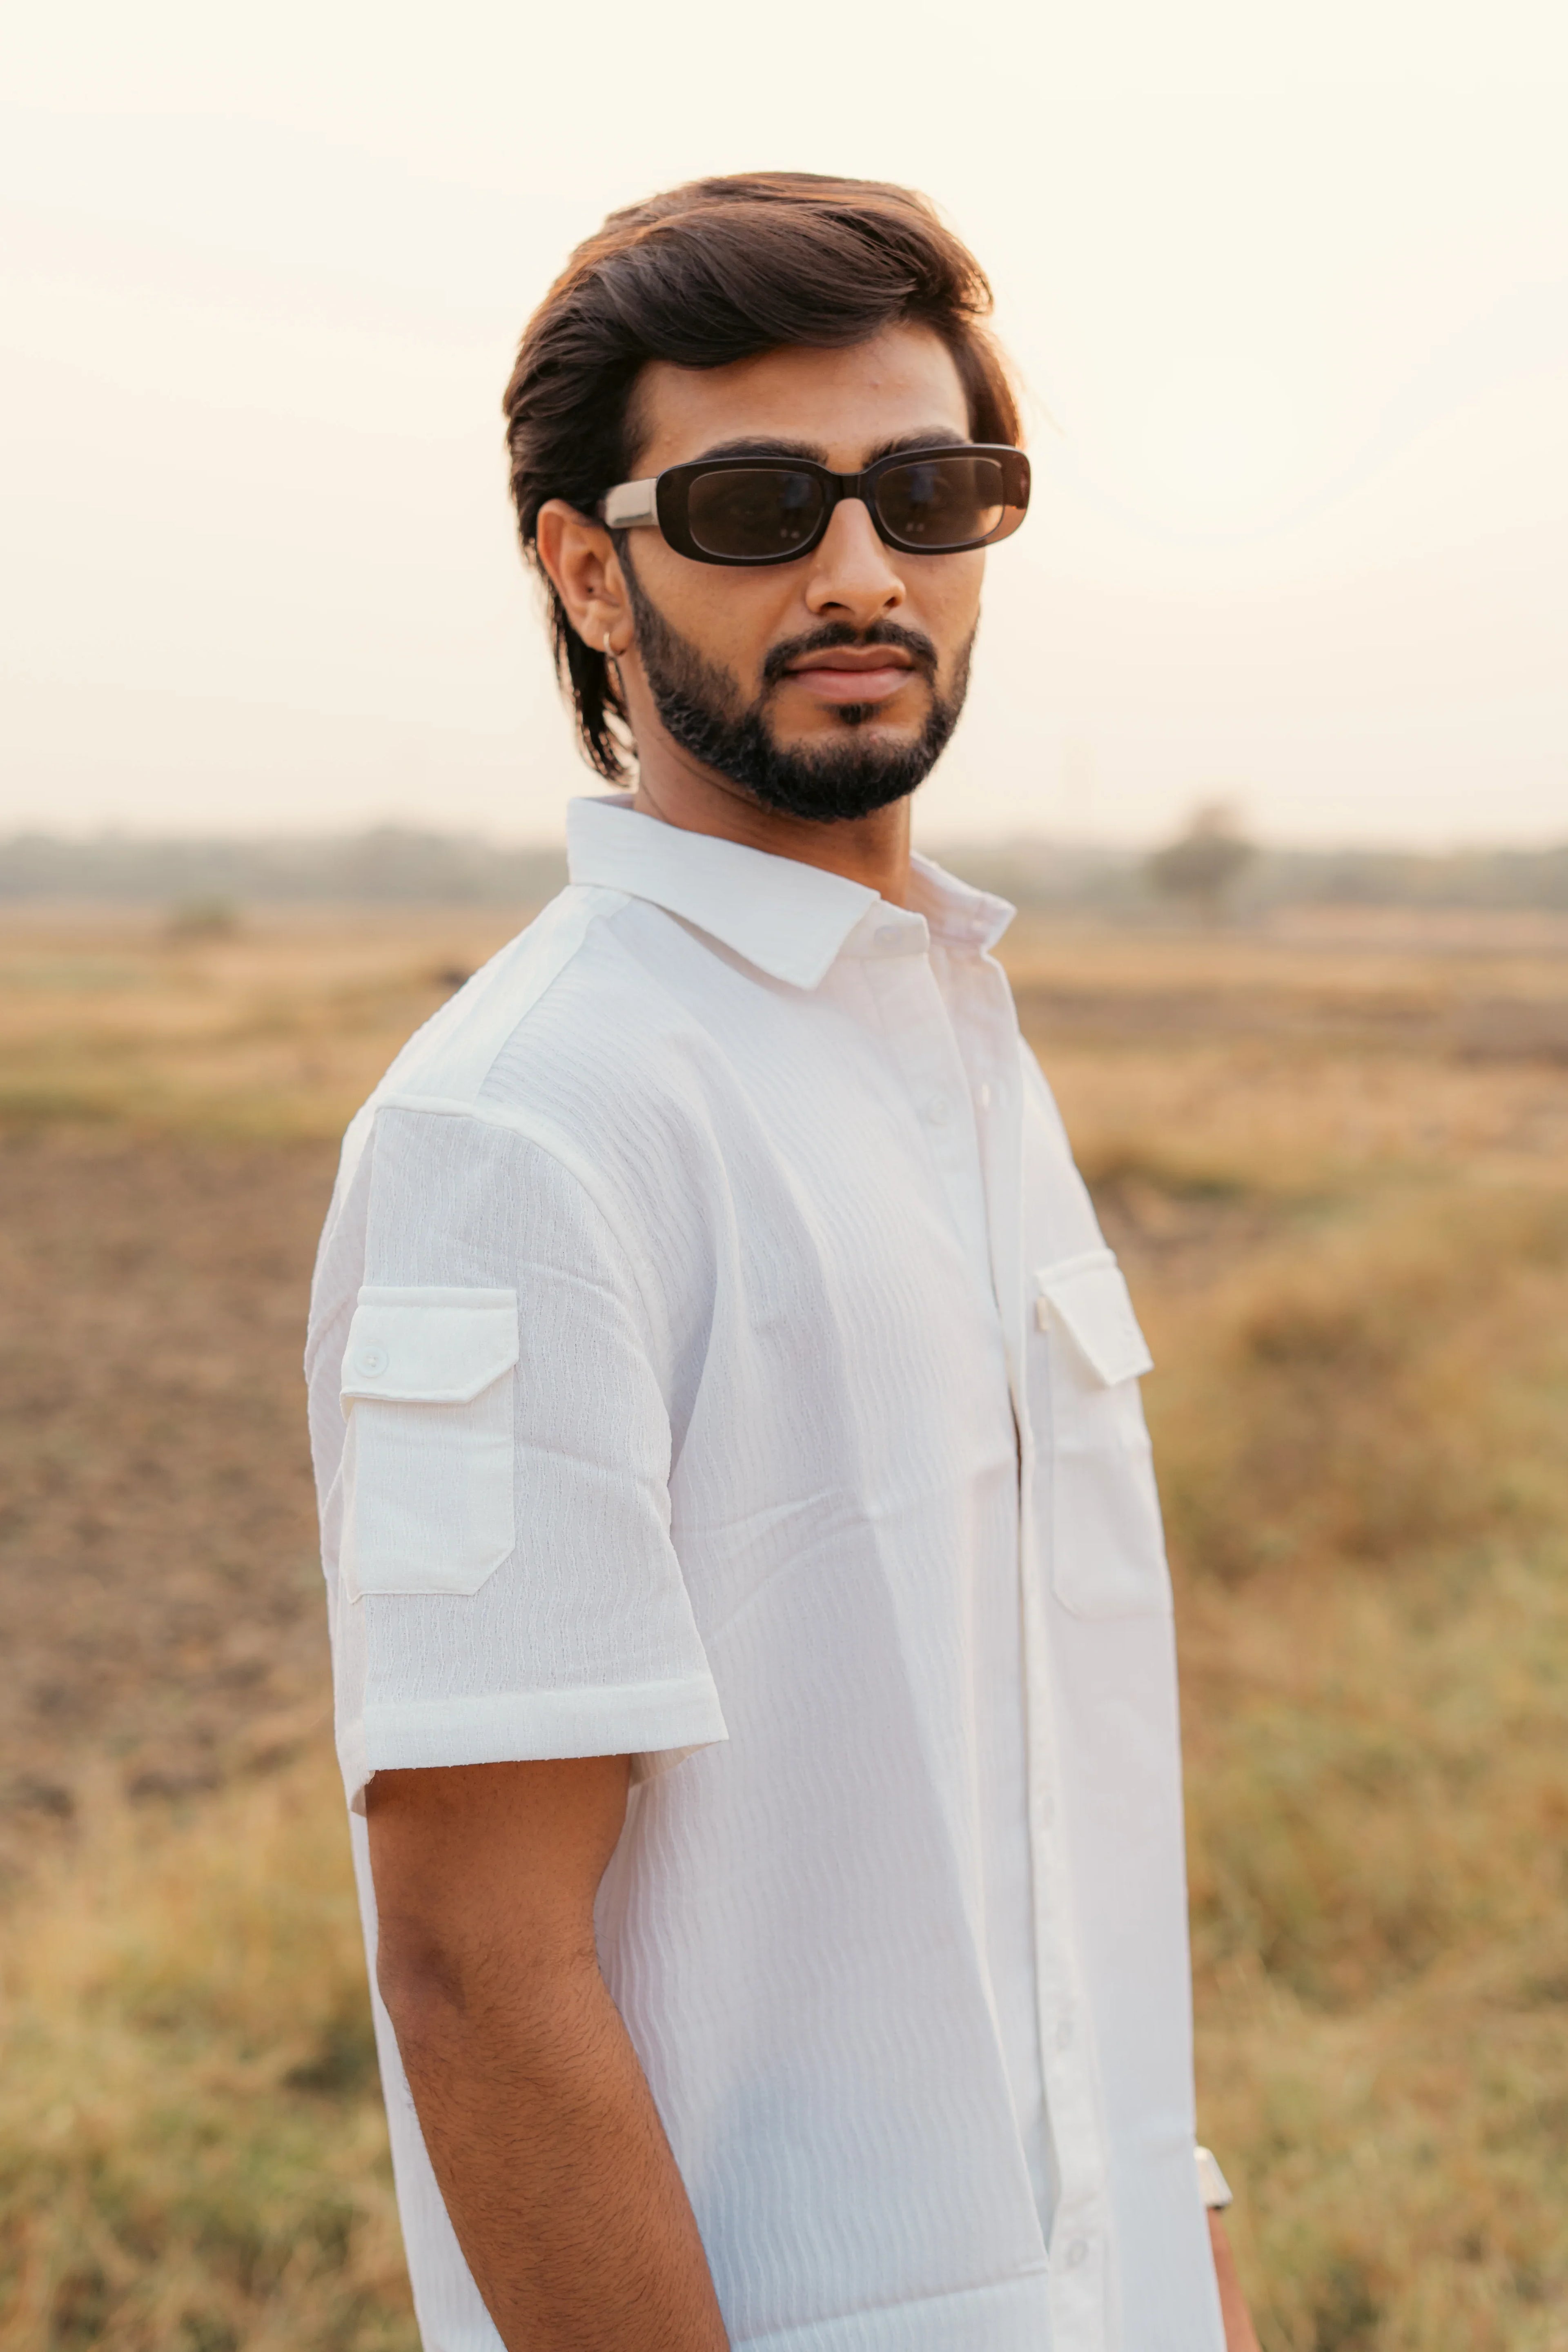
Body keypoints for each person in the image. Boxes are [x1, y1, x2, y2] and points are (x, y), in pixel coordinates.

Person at [305, 171, 1261, 2352]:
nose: (861, 571)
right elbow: (476, 1966)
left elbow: (1018, 1773)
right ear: (587, 566)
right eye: (752, 506)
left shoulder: (955, 1043)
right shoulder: (523, 1131)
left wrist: (1173, 2212)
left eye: (933, 493)